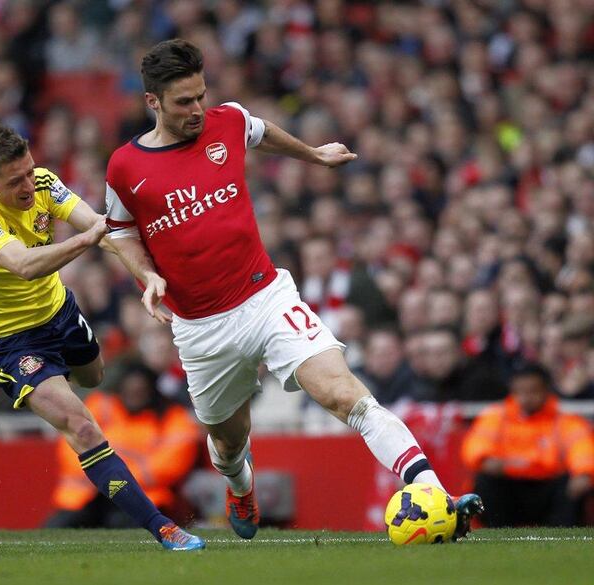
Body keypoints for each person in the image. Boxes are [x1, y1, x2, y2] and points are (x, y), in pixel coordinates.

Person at [104, 39, 482, 540]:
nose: (197, 109)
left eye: (200, 95)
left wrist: (313, 156)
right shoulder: (126, 167)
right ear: (153, 102)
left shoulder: (228, 121)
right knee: (227, 440)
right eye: (183, 102)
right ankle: (241, 485)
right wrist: (146, 275)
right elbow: (121, 229)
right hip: (200, 327)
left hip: (266, 298)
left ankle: (435, 493)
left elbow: (261, 133)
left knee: (348, 396)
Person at [0, 123, 204, 550]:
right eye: (15, 181)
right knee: (84, 428)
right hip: (11, 341)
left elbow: (104, 230)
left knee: (93, 379)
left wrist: (149, 277)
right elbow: (28, 264)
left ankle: (52, 384)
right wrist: (89, 238)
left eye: (30, 171)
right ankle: (164, 528)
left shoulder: (46, 183)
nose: (29, 185)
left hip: (60, 312)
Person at [46, 362, 200, 528]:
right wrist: (108, 478)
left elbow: (170, 464)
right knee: (57, 527)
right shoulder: (101, 405)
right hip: (85, 497)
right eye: (129, 390)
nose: (134, 395)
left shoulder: (172, 417)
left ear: (152, 391)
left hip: (143, 496)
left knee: (124, 524)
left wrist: (112, 478)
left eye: (140, 391)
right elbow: (70, 448)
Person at [461, 362, 594, 527]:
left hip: (549, 487)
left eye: (533, 391)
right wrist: (485, 459)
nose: (526, 397)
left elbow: (582, 448)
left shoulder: (563, 420)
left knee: (573, 485)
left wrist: (583, 472)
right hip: (509, 485)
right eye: (520, 391)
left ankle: (563, 532)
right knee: (484, 481)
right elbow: (476, 444)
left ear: (546, 390)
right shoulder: (497, 416)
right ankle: (496, 530)